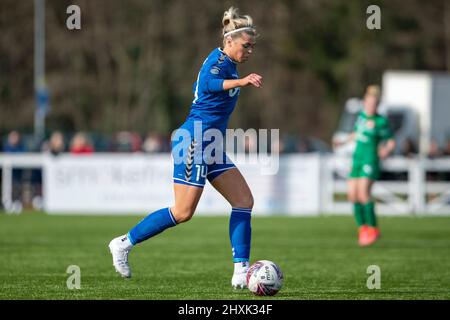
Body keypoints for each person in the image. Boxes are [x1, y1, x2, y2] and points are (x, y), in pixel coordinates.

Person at [108, 7, 262, 289]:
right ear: (229, 41)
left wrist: (239, 78)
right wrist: (241, 81)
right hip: (192, 140)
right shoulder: (216, 63)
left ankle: (241, 270)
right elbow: (211, 84)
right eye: (246, 45)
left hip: (211, 143)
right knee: (182, 212)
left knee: (244, 202)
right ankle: (122, 243)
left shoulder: (230, 64)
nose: (250, 50)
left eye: (253, 46)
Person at [336, 85, 396, 246]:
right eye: (369, 102)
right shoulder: (361, 117)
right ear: (365, 102)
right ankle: (363, 229)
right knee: (352, 195)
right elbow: (356, 134)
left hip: (370, 160)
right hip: (357, 159)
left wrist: (385, 150)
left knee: (363, 193)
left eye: (374, 103)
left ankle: (373, 229)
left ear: (377, 104)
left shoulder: (380, 121)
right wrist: (342, 141)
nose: (371, 105)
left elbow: (391, 141)